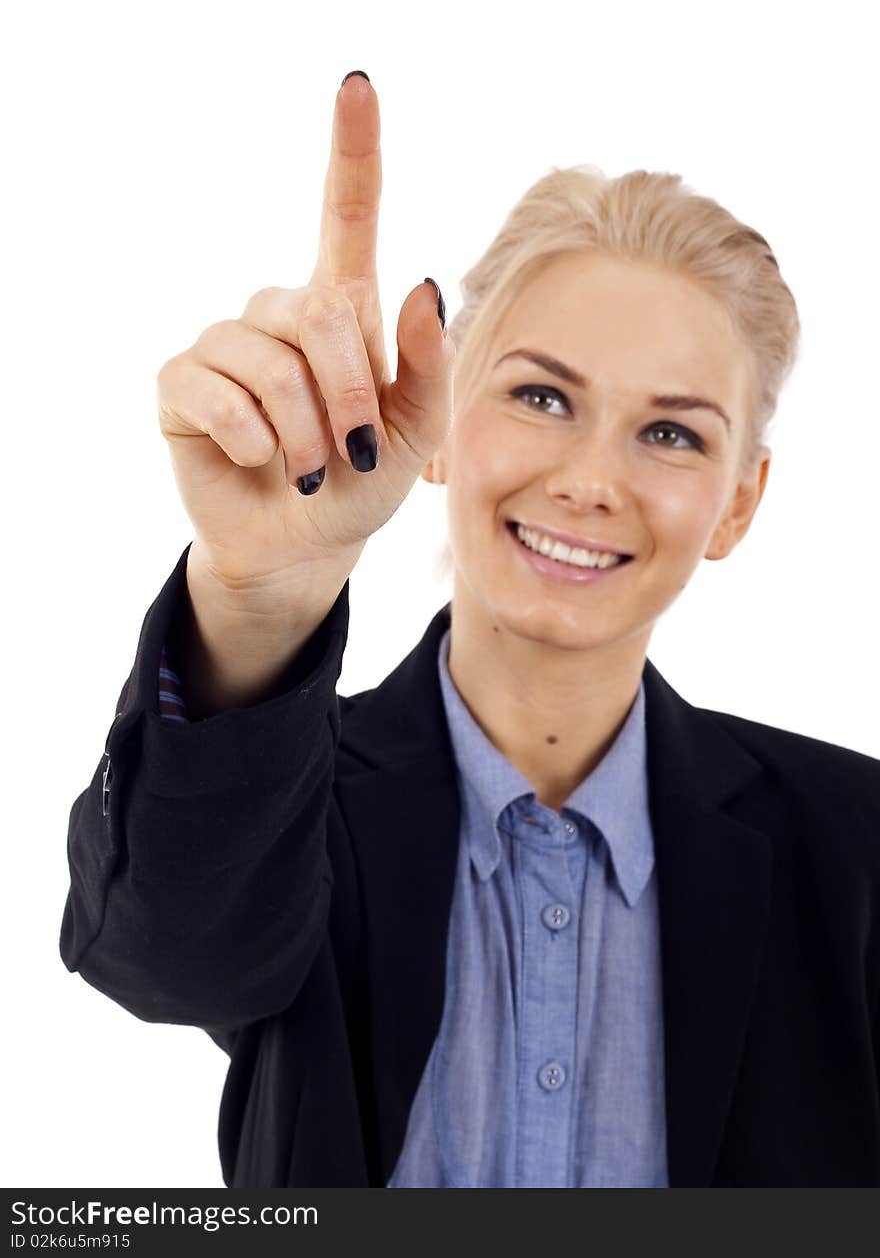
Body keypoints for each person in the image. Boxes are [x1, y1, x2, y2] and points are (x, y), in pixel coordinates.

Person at [60, 71, 880, 1188]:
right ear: (442, 422)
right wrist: (257, 594)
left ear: (739, 501)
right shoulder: (301, 807)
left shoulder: (855, 846)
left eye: (673, 435)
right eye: (541, 397)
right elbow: (166, 960)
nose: (590, 480)